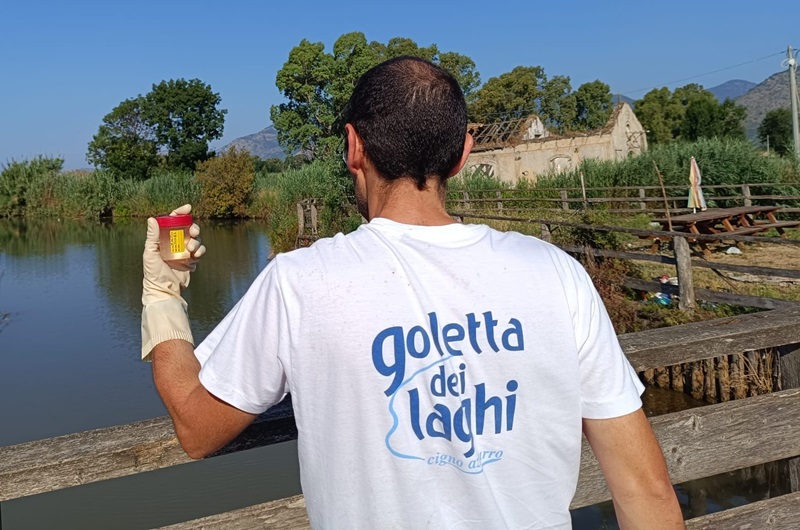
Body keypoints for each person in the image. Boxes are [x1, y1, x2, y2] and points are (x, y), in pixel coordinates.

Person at [142, 57, 684, 529]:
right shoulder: (558, 274)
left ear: (354, 146)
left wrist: (161, 293)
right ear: (463, 153)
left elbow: (197, 427)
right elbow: (645, 489)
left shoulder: (300, 281)